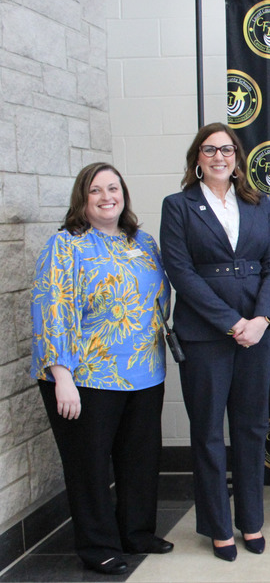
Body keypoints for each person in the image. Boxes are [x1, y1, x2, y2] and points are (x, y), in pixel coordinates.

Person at [30, 163, 173, 575]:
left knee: (140, 459)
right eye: (96, 190)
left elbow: (159, 299)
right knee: (89, 464)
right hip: (86, 377)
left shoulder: (142, 241)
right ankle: (98, 545)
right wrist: (62, 377)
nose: (107, 196)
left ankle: (137, 533)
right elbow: (50, 309)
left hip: (145, 372)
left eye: (113, 188)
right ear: (83, 198)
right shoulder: (66, 244)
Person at [159, 123, 270, 560]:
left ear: (237, 157)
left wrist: (262, 319)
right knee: (209, 432)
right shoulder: (178, 206)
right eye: (209, 149)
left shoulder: (258, 203)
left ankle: (251, 521)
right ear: (197, 157)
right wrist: (233, 323)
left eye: (226, 149)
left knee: (251, 429)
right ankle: (218, 525)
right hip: (206, 336)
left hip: (258, 333)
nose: (218, 156)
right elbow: (181, 273)